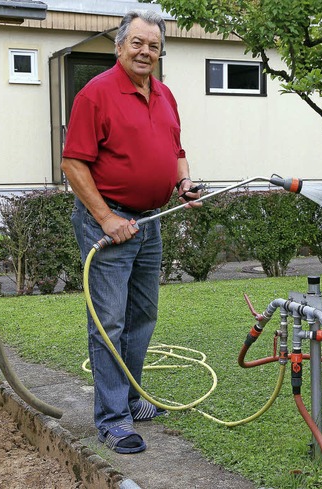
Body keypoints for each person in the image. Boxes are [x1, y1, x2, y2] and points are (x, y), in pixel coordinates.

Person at [61, 9, 201, 454]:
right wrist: (105, 217)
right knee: (110, 322)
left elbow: (176, 149)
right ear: (119, 45)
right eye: (137, 43)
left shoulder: (164, 94)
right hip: (109, 221)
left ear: (160, 53)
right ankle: (113, 419)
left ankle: (134, 399)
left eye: (154, 46)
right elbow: (72, 162)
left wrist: (183, 183)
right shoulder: (96, 94)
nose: (145, 52)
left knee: (142, 316)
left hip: (148, 222)